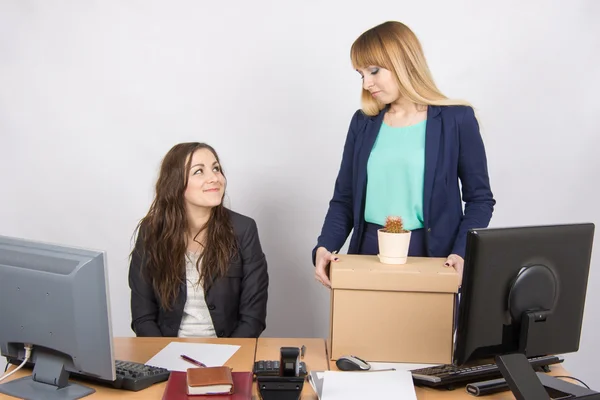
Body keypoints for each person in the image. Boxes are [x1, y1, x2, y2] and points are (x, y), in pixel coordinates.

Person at [313, 21, 495, 288]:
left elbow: (480, 199)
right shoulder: (363, 123)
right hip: (367, 252)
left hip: (433, 257)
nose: (367, 83)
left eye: (374, 71)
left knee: (425, 331)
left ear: (403, 62)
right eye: (361, 74)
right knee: (363, 331)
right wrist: (325, 246)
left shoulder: (457, 119)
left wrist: (461, 253)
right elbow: (344, 199)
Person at [129, 142, 269, 338]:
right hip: (167, 353)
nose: (214, 178)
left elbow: (253, 319)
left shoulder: (244, 229)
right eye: (198, 172)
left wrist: (227, 357)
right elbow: (143, 317)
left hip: (229, 353)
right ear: (176, 182)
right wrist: (163, 357)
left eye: (216, 168)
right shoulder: (151, 231)